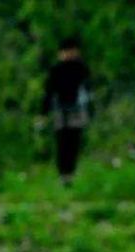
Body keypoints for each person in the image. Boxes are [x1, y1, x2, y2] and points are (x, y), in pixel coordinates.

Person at [42, 37, 91, 185]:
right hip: (60, 110)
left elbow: (88, 90)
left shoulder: (81, 69)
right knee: (62, 141)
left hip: (76, 109)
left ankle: (71, 173)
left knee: (74, 141)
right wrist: (43, 112)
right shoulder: (56, 70)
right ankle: (63, 174)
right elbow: (49, 92)